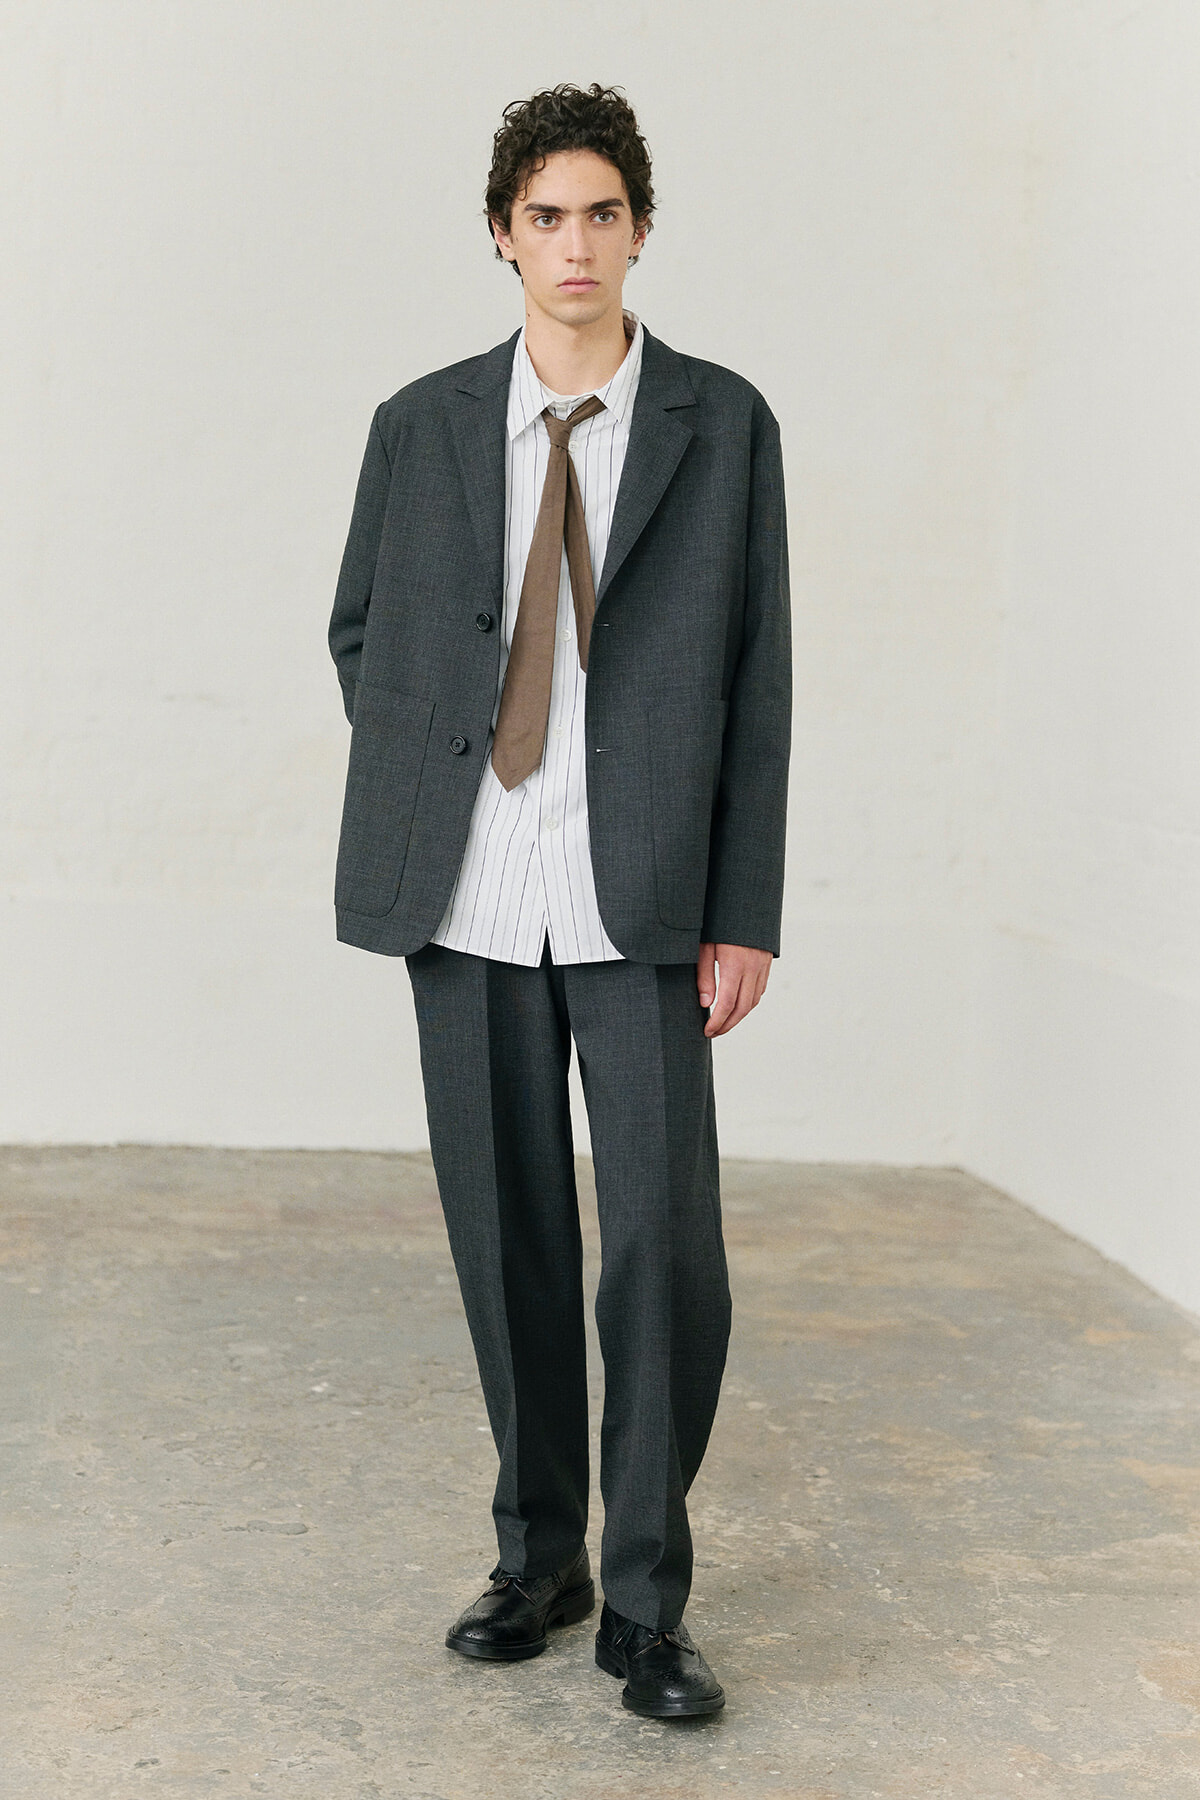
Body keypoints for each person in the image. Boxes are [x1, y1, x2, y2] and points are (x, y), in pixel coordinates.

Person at [328, 81, 791, 1719]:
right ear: (502, 235)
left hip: (643, 895)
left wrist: (744, 907)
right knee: (507, 1238)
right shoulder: (422, 424)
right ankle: (539, 1560)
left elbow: (759, 676)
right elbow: (364, 631)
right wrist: (435, 779)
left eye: (603, 213)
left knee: (664, 1257)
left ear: (641, 229)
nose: (575, 244)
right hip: (466, 894)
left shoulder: (722, 425)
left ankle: (649, 1606)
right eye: (546, 216)